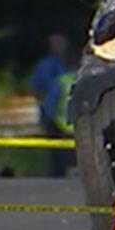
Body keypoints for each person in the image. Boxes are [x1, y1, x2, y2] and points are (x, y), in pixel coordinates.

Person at [29, 33, 73, 176]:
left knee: (68, 151)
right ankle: (57, 176)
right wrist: (46, 101)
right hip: (51, 114)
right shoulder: (45, 66)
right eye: (54, 43)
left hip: (66, 116)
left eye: (60, 43)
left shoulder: (66, 65)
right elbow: (35, 88)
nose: (58, 47)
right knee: (56, 151)